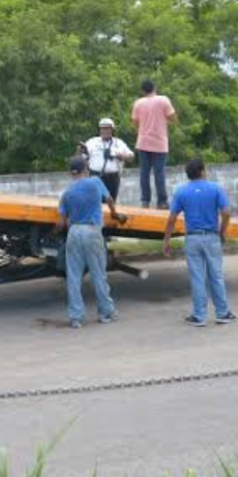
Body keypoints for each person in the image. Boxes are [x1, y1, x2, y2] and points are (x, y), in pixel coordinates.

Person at [163, 158, 238, 327]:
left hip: (192, 238)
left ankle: (199, 316)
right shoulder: (215, 188)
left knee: (197, 277)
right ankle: (222, 313)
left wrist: (166, 240)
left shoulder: (181, 192)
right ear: (203, 171)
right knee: (216, 276)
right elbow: (226, 212)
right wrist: (222, 230)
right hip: (212, 237)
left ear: (188, 174)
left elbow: (171, 219)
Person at [55, 155, 128, 329]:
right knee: (98, 274)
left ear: (71, 173)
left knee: (73, 276)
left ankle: (75, 317)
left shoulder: (66, 193)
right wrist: (115, 214)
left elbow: (61, 223)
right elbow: (109, 199)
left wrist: (54, 233)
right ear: (86, 169)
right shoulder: (95, 182)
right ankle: (105, 313)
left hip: (74, 232)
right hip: (92, 231)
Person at [132, 80, 177, 209]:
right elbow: (173, 117)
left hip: (143, 141)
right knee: (159, 173)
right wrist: (164, 122)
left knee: (144, 173)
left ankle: (145, 201)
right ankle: (162, 202)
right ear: (154, 88)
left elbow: (135, 122)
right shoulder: (163, 100)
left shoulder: (138, 103)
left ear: (143, 91)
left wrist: (142, 129)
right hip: (160, 142)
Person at [79, 117, 135, 202]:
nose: (104, 131)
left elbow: (131, 156)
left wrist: (121, 156)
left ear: (112, 130)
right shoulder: (92, 142)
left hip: (113, 177)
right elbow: (81, 158)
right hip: (96, 176)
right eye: (102, 129)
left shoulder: (119, 143)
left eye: (107, 128)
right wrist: (82, 151)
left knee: (111, 201)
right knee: (96, 201)